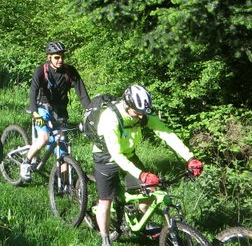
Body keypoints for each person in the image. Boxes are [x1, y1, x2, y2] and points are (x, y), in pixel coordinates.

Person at [93, 85, 204, 246]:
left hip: (129, 155)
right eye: (137, 113)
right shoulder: (110, 118)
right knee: (105, 201)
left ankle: (137, 220)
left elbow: (166, 133)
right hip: (106, 158)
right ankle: (105, 239)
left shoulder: (142, 113)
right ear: (127, 105)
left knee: (151, 191)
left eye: (143, 113)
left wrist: (190, 157)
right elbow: (116, 154)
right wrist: (141, 174)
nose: (140, 117)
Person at [21, 41, 91, 181]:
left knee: (63, 148)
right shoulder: (41, 70)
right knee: (44, 138)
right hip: (43, 108)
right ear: (49, 57)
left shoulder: (70, 71)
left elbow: (82, 93)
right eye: (56, 57)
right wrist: (35, 112)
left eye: (62, 57)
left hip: (60, 111)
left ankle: (64, 184)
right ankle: (26, 163)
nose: (60, 60)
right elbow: (33, 92)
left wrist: (90, 111)